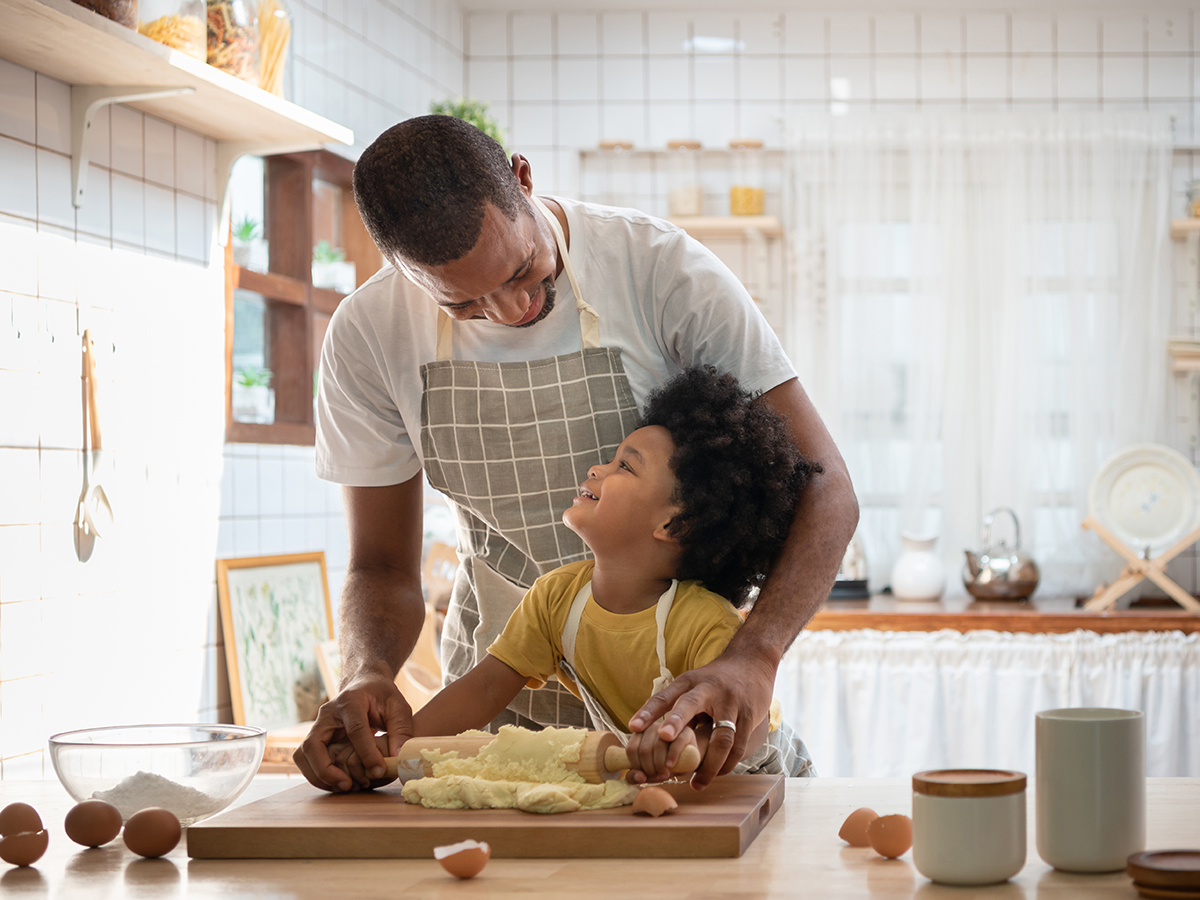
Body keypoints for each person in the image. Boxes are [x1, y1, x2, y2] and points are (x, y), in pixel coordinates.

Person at [295, 114, 859, 794]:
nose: (510, 309)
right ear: (402, 270)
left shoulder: (658, 270)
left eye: (522, 270)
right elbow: (381, 565)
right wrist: (368, 677)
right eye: (465, 304)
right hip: (496, 733)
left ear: (523, 179)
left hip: (674, 724)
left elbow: (826, 487)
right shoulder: (367, 337)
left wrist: (753, 657)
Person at [328, 366, 820, 790]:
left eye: (624, 465)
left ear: (673, 525)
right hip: (676, 789)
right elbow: (481, 692)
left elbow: (741, 724)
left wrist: (685, 740)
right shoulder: (556, 600)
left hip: (762, 782)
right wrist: (389, 753)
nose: (597, 468)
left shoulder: (702, 622)